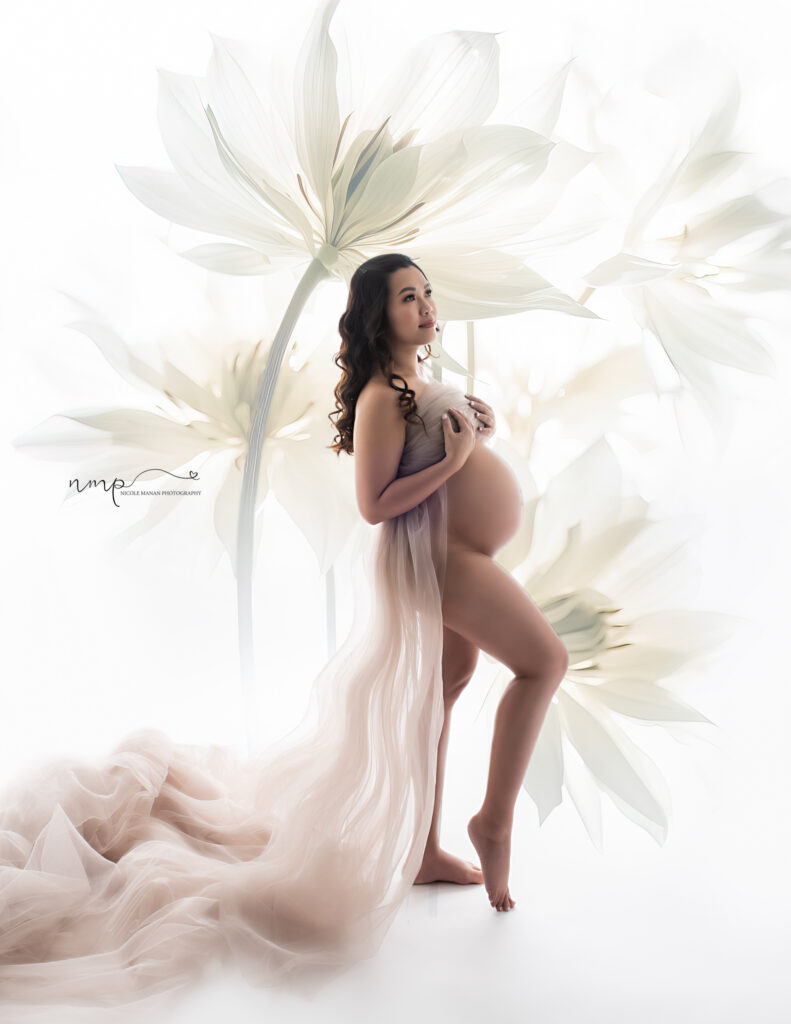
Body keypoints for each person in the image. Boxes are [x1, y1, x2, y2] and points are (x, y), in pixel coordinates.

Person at [0, 253, 568, 1014]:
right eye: (407, 298)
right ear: (377, 315)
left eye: (427, 293)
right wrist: (456, 461)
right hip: (438, 560)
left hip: (456, 553)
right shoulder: (375, 397)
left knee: (444, 688)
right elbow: (375, 504)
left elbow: (431, 443)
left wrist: (470, 427)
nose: (426, 306)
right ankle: (491, 821)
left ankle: (422, 847)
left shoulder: (412, 384)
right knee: (544, 661)